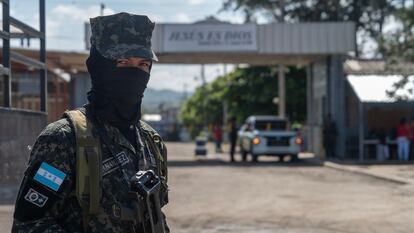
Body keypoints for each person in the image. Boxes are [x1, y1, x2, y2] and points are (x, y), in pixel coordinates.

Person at [12, 13, 169, 232]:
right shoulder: (63, 139)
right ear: (98, 66)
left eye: (143, 63)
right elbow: (28, 225)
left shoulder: (151, 141)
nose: (134, 73)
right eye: (122, 62)